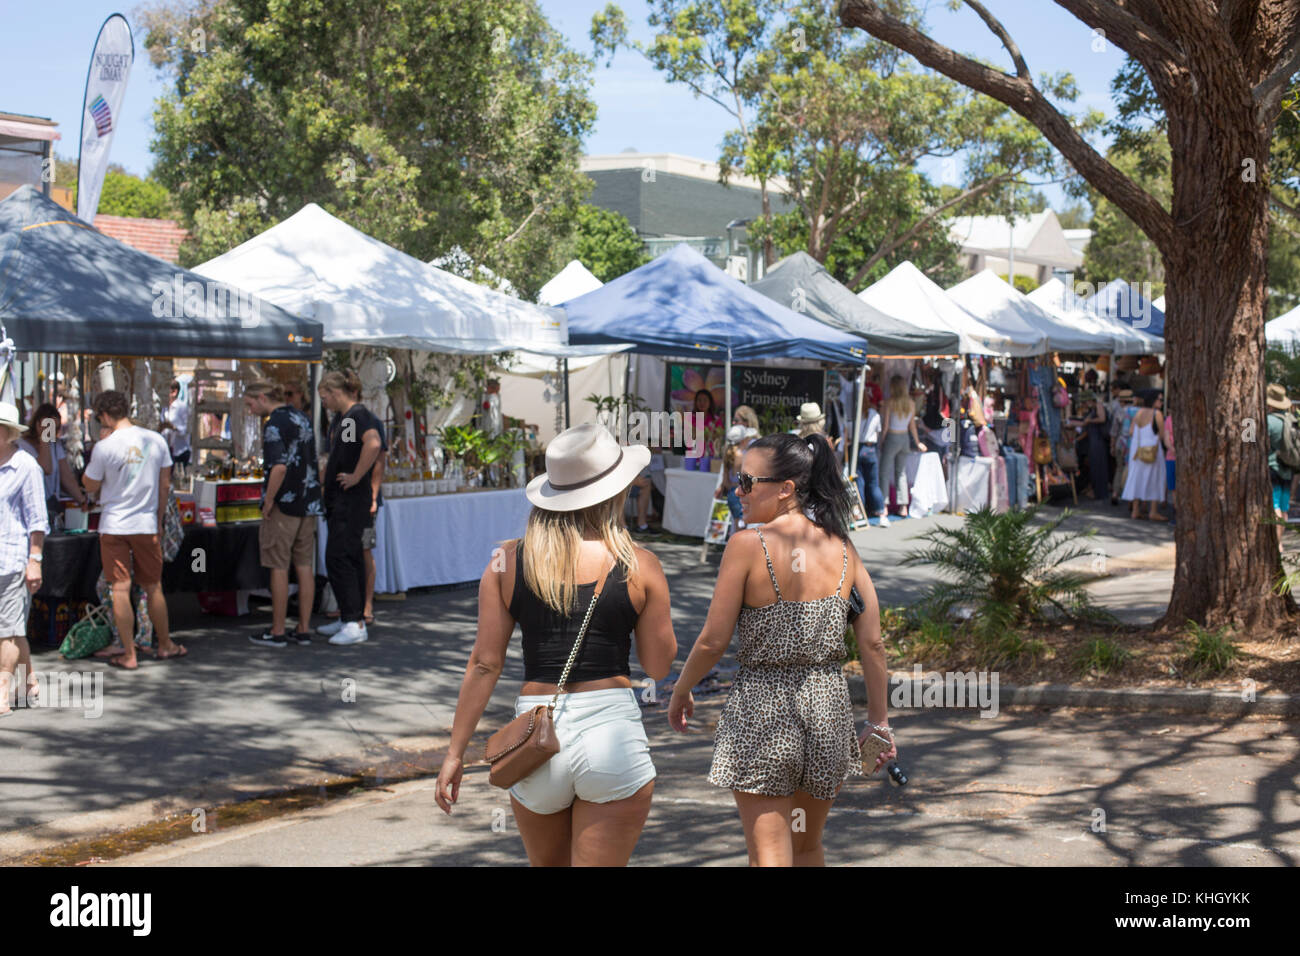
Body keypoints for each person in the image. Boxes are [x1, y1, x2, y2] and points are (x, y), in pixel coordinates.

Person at [434, 423, 677, 866]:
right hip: (611, 735)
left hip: (535, 736)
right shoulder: (640, 564)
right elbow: (658, 666)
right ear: (616, 492)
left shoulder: (506, 560)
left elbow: (484, 664)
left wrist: (455, 753)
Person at [668, 432, 894, 866]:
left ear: (786, 488)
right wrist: (879, 723)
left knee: (770, 854)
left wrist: (681, 690)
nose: (738, 492)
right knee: (807, 846)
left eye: (748, 482)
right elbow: (873, 643)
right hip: (828, 708)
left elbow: (713, 640)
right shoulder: (843, 547)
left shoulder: (747, 546)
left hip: (763, 708)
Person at [81, 390, 187, 668]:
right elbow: (165, 485)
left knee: (119, 588)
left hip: (113, 524)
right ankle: (165, 644)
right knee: (153, 587)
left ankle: (129, 653)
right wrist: (160, 519)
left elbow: (89, 484)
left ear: (104, 415)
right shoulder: (156, 440)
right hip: (145, 523)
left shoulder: (104, 446)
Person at [244, 381, 322, 647]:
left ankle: (277, 630)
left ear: (262, 398)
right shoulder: (301, 416)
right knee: (304, 566)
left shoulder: (274, 424)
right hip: (308, 501)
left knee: (278, 565)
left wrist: (268, 501)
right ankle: (303, 628)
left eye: (250, 402)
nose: (249, 408)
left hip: (285, 503)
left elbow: (278, 467)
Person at [316, 371, 383, 646]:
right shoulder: (344, 419)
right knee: (343, 557)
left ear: (335, 392)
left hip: (350, 501)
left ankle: (354, 621)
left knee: (341, 557)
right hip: (341, 500)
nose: (324, 402)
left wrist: (356, 475)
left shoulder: (358, 415)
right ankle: (349, 616)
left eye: (325, 397)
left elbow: (374, 443)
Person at [0, 402, 48, 715]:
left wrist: (35, 560)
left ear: (7, 433)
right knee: (14, 629)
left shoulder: (26, 466)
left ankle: (2, 692)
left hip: (12, 558)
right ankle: (30, 683)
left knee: (5, 630)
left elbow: (38, 519)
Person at [18, 403, 87, 512]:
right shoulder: (20, 446)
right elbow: (45, 468)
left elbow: (66, 477)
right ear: (38, 424)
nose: (51, 431)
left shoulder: (55, 445)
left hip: (49, 505)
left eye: (55, 428)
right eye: (48, 426)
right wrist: (44, 438)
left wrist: (82, 500)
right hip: (28, 505)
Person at [879, 375, 923, 518]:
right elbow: (912, 426)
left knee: (884, 472)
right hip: (905, 438)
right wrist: (917, 442)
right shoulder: (910, 403)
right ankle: (903, 506)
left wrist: (882, 440)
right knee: (901, 473)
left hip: (892, 436)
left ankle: (884, 506)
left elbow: (885, 425)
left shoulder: (889, 403)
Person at [1120, 392, 1167, 522]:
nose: (1161, 402)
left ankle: (1135, 510)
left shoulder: (1138, 413)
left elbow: (1130, 431)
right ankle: (1153, 511)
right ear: (1153, 401)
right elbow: (1162, 434)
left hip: (1138, 452)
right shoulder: (1156, 414)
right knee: (1154, 479)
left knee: (1137, 479)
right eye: (1160, 400)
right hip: (1153, 452)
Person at [362, 420, 388, 626]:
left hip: (362, 498)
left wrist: (372, 493)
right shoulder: (343, 420)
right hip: (346, 499)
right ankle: (352, 605)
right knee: (350, 552)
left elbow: (379, 455)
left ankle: (366, 605)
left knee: (364, 550)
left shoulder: (360, 419)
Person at [854, 388, 887, 527]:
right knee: (873, 483)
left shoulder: (856, 414)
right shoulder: (875, 414)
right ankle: (881, 512)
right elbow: (878, 432)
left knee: (860, 482)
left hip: (859, 448)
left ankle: (861, 512)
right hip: (871, 448)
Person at [1267, 384, 1293, 546]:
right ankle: (1280, 541)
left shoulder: (1268, 420)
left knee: (1274, 505)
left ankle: (1276, 544)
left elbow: (1247, 441)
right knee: (1283, 508)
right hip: (1288, 469)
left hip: (1272, 468)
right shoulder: (1291, 419)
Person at [1078, 390, 1109, 501]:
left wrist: (1089, 420)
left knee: (1098, 466)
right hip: (1094, 440)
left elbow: (1102, 418)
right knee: (1095, 466)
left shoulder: (1098, 405)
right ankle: (1097, 491)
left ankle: (1100, 492)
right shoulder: (1093, 409)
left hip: (1098, 440)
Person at [685, 389, 722, 471]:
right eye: (699, 400)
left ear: (710, 402)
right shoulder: (690, 418)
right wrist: (707, 434)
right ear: (695, 402)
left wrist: (700, 433)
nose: (702, 403)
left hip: (710, 458)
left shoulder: (716, 419)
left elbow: (718, 437)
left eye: (705, 400)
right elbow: (690, 436)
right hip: (693, 459)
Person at [159, 379, 191, 473]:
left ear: (174, 392)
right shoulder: (164, 408)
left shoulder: (182, 407)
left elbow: (186, 430)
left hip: (179, 452)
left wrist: (172, 427)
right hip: (166, 450)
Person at [1161, 395, 1175, 525]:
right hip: (1175, 457)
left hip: (1171, 456)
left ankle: (1174, 516)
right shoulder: (1169, 420)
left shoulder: (1168, 420)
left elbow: (1166, 440)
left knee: (1173, 488)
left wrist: (1172, 449)